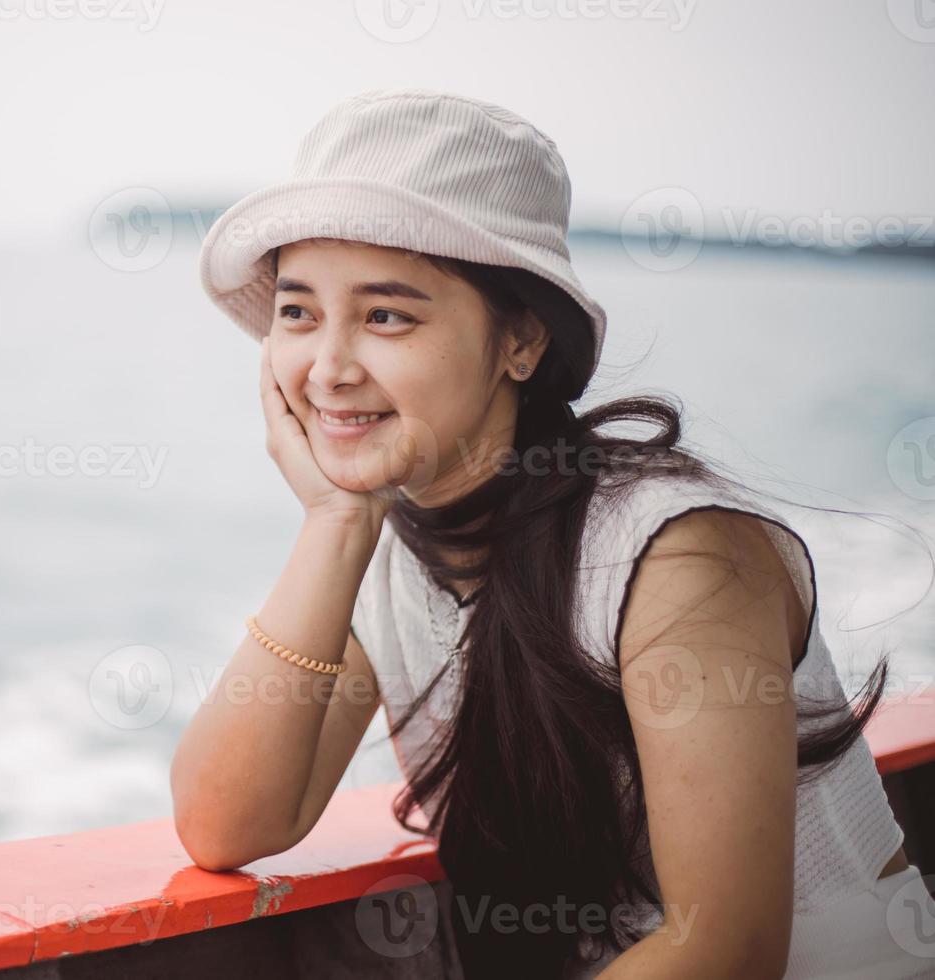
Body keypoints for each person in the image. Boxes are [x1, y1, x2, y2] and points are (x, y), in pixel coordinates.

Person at [169, 88, 935, 978]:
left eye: (386, 315)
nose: (329, 368)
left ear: (520, 341)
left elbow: (723, 949)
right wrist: (336, 521)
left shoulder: (679, 559)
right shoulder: (390, 550)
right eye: (298, 313)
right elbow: (227, 824)